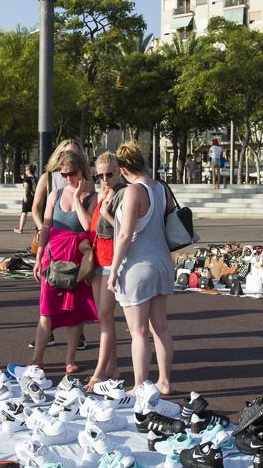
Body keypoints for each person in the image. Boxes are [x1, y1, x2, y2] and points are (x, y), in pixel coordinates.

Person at [109, 141, 176, 394]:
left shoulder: (133, 191)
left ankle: (140, 384)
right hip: (162, 263)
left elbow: (125, 235)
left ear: (124, 169)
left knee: (138, 331)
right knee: (160, 327)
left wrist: (114, 269)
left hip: (137, 266)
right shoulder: (161, 188)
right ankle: (165, 381)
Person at [30, 148, 97, 374]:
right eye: (64, 174)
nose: (68, 178)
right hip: (53, 255)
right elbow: (46, 227)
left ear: (83, 171)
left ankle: (70, 358)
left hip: (78, 256)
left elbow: (89, 226)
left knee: (75, 311)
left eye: (72, 173)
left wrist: (78, 198)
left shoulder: (92, 196)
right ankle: (37, 358)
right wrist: (39, 257)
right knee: (46, 309)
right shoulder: (55, 194)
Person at [88, 152, 125, 389]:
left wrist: (106, 214)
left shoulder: (123, 193)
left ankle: (100, 371)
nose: (104, 178)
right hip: (98, 261)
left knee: (105, 317)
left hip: (113, 261)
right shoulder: (104, 193)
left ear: (119, 170)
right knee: (104, 318)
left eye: (109, 174)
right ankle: (112, 368)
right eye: (99, 175)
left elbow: (125, 230)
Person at [15, 164, 37, 234]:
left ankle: (20, 229)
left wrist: (25, 196)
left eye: (26, 169)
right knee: (36, 213)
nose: (25, 171)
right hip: (35, 197)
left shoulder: (27, 178)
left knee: (24, 212)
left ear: (29, 170)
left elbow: (26, 188)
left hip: (29, 197)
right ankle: (38, 227)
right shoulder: (36, 178)